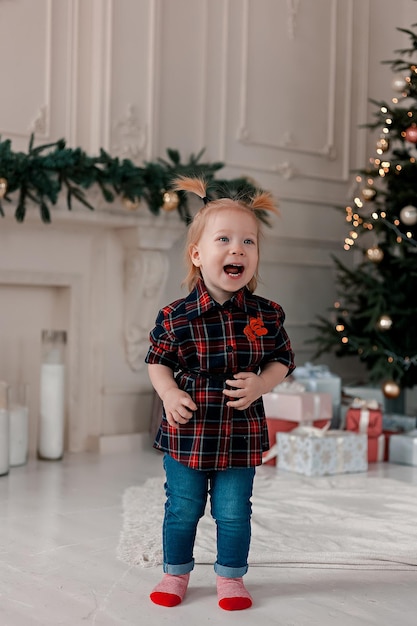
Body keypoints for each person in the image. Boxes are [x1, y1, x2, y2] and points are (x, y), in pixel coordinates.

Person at [145, 176, 295, 610]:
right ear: (197, 254)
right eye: (224, 239)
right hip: (188, 430)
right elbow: (157, 360)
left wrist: (263, 382)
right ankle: (176, 573)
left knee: (233, 511)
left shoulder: (267, 314)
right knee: (182, 508)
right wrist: (169, 392)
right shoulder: (176, 316)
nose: (238, 249)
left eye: (248, 241)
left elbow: (282, 358)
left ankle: (231, 577)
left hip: (239, 431)